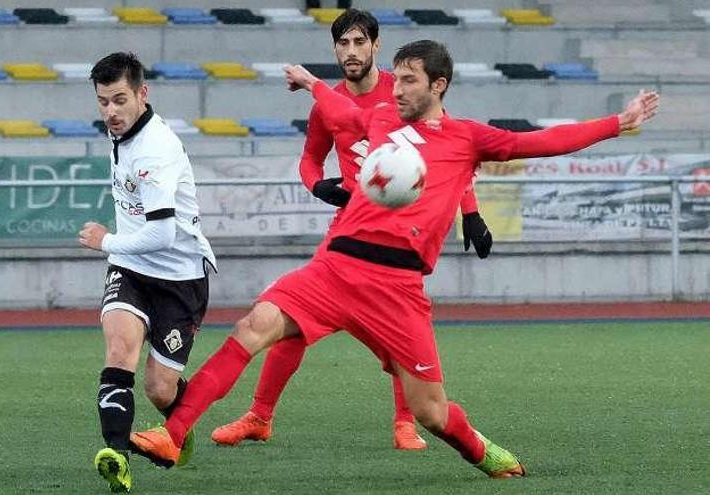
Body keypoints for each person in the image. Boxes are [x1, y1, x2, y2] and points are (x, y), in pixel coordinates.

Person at [128, 40, 658, 481]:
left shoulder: (468, 137)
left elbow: (539, 141)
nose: (396, 88)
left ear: (438, 85)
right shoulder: (381, 117)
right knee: (253, 325)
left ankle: (479, 450)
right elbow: (342, 111)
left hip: (398, 288)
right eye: (397, 78)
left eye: (408, 80)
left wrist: (619, 121)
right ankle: (172, 436)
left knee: (430, 412)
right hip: (336, 267)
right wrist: (313, 85)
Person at [211, 9, 492, 452]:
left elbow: (451, 152)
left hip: (403, 231)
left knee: (400, 326)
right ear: (335, 49)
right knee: (294, 321)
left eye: (360, 42)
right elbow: (309, 158)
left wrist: (470, 214)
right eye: (343, 44)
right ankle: (259, 416)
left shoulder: (405, 92)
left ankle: (405, 423)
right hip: (351, 226)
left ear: (375, 46)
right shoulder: (329, 102)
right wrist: (317, 185)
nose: (351, 51)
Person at [79, 51, 216, 493]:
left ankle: (180, 426)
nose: (110, 112)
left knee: (160, 388)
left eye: (119, 100)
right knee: (119, 352)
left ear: (142, 93)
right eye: (103, 102)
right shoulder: (120, 133)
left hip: (180, 276)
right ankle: (116, 455)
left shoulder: (156, 149)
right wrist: (118, 251)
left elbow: (160, 235)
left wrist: (107, 242)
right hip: (132, 268)